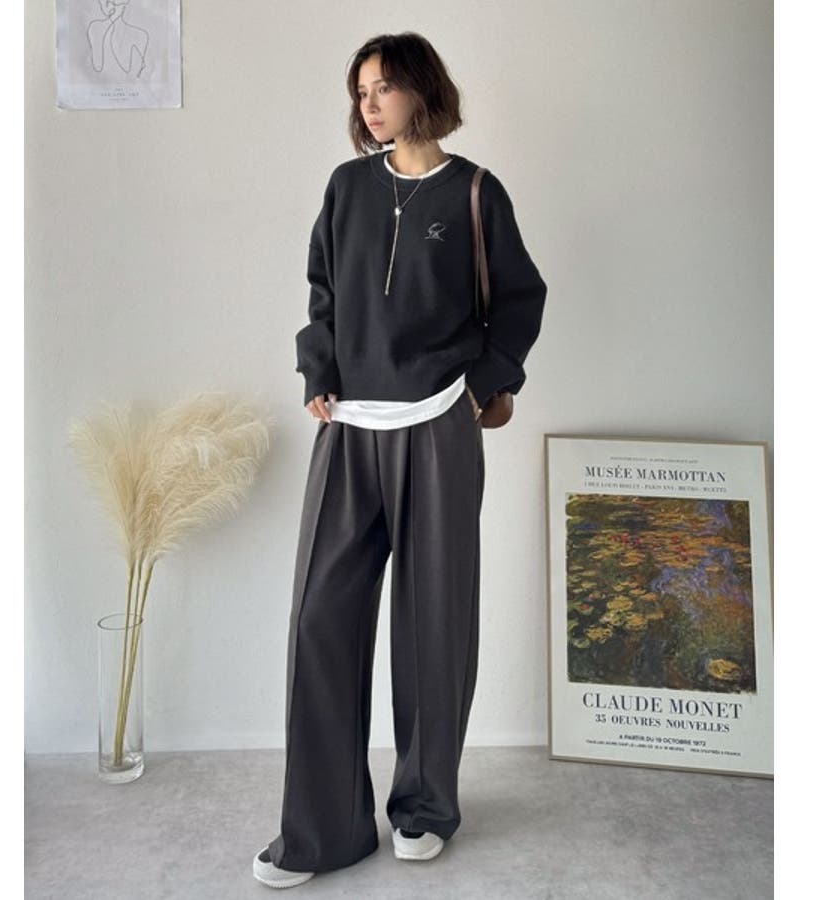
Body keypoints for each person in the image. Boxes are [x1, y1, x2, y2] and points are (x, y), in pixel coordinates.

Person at [253, 31, 547, 889]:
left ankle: (423, 807)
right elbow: (323, 294)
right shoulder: (347, 187)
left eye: (382, 86)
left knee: (434, 622)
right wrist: (318, 369)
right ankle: (320, 830)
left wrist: (479, 385)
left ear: (421, 89)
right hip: (349, 427)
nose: (369, 104)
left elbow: (519, 299)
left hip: (437, 423)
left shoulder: (476, 192)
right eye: (360, 92)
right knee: (320, 620)